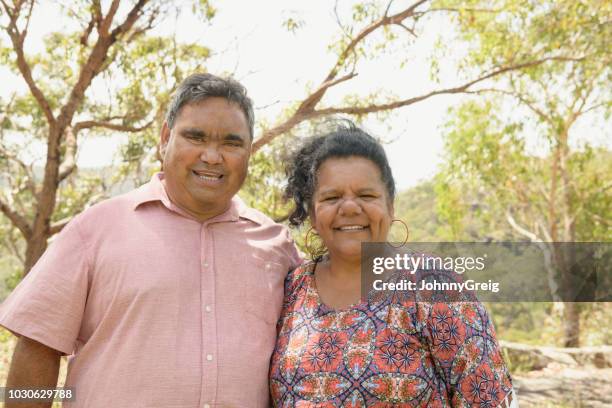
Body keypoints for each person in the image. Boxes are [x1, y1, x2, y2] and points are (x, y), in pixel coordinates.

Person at [0, 73, 301, 407]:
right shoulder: (96, 230)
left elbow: (363, 300)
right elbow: (38, 346)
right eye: (195, 137)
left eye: (231, 143)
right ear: (165, 138)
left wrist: (374, 243)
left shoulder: (278, 245)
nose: (213, 156)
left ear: (249, 152)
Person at [269, 123, 517, 407]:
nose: (349, 207)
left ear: (390, 206)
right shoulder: (292, 291)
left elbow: (489, 398)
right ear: (313, 214)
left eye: (366, 195)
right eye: (331, 197)